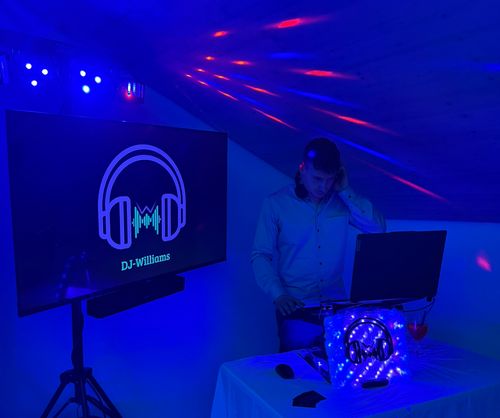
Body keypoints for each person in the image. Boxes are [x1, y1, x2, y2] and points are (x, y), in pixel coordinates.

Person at [251, 138, 386, 352]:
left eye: (329, 179)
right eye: (317, 178)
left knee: (339, 366)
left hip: (337, 306)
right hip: (295, 306)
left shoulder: (342, 202)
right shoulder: (275, 204)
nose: (323, 187)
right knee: (296, 369)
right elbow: (260, 255)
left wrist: (345, 189)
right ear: (302, 169)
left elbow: (377, 228)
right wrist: (278, 294)